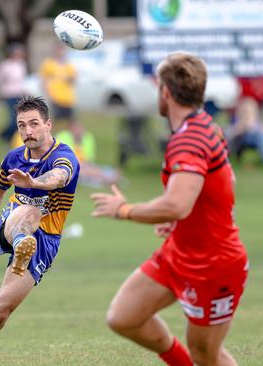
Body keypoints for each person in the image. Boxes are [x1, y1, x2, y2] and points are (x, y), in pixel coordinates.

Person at [91, 53, 248, 366]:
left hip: (214, 263)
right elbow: (208, 190)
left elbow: (177, 204)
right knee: (124, 317)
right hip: (179, 253)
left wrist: (125, 210)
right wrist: (178, 221)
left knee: (207, 355)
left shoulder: (190, 140)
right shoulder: (202, 127)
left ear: (165, 91)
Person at [0, 96, 80, 366]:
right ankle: (21, 242)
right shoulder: (14, 158)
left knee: (0, 313)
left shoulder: (64, 157)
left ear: (48, 125)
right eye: (21, 125)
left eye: (33, 124)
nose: (27, 131)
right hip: (13, 223)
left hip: (46, 241)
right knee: (30, 212)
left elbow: (60, 177)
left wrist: (35, 182)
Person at [56, 121, 122, 187]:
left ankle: (108, 177)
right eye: (76, 129)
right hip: (69, 166)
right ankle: (107, 179)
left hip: (85, 165)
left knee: (96, 169)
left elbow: (89, 159)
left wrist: (87, 166)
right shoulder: (63, 138)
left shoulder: (87, 138)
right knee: (83, 171)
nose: (79, 131)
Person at [0, 43, 27, 143]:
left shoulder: (21, 64)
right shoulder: (5, 65)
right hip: (9, 95)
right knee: (13, 120)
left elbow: (22, 80)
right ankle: (3, 136)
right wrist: (0, 90)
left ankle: (12, 139)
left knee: (20, 118)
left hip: (19, 95)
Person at [229, 97, 263, 168]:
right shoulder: (238, 122)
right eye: (245, 110)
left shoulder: (257, 121)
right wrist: (245, 126)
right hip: (247, 140)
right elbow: (233, 132)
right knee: (262, 138)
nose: (247, 112)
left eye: (248, 110)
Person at [38, 44, 77, 128]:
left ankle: (67, 137)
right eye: (59, 50)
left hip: (68, 98)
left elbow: (73, 79)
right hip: (55, 97)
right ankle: (52, 138)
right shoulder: (49, 63)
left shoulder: (68, 65)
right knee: (54, 121)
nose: (61, 52)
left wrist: (68, 78)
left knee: (70, 121)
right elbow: (43, 79)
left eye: (62, 50)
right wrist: (47, 92)